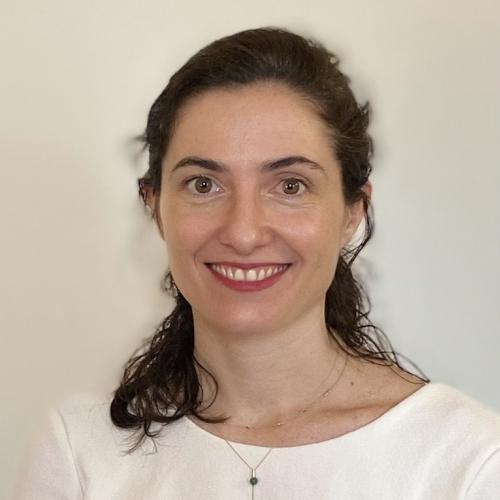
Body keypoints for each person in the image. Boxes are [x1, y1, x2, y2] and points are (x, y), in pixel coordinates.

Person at [14, 27, 500, 499]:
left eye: (290, 186)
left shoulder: (468, 463)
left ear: (353, 210)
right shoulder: (79, 452)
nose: (243, 233)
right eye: (204, 184)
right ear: (154, 205)